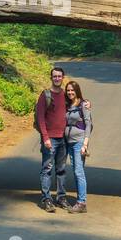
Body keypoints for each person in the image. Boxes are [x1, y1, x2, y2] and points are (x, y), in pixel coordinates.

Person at [34, 67, 70, 212]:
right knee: (47, 169)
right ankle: (47, 199)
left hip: (64, 139)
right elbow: (40, 117)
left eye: (59, 76)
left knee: (61, 170)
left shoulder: (66, 95)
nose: (57, 78)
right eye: (54, 76)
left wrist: (87, 104)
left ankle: (61, 197)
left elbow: (76, 104)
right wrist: (45, 137)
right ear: (51, 78)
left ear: (63, 77)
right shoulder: (45, 95)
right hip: (50, 139)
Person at [62, 80, 92, 213]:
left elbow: (88, 124)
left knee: (78, 171)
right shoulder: (67, 105)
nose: (69, 93)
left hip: (79, 142)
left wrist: (85, 144)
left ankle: (81, 202)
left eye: (72, 90)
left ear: (77, 91)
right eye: (68, 90)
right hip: (67, 142)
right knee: (75, 171)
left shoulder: (83, 105)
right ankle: (80, 201)